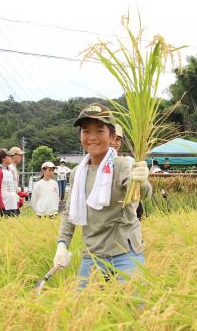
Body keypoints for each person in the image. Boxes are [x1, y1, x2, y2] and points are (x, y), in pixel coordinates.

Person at [53, 103, 152, 288]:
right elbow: (69, 213)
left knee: (134, 308)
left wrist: (142, 180)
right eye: (85, 131)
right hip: (92, 253)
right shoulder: (77, 173)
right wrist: (62, 244)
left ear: (112, 136)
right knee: (82, 310)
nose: (91, 137)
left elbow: (144, 194)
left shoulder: (121, 165)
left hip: (125, 251)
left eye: (99, 131)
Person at [0, 148, 18, 220]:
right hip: (2, 208)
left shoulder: (10, 170)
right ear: (3, 158)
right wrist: (1, 207)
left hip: (12, 206)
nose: (11, 157)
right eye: (9, 156)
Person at [8, 146, 24, 214]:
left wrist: (18, 196)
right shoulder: (10, 168)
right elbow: (9, 187)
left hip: (13, 200)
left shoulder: (13, 167)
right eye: (20, 155)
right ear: (14, 155)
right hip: (10, 201)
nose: (22, 157)